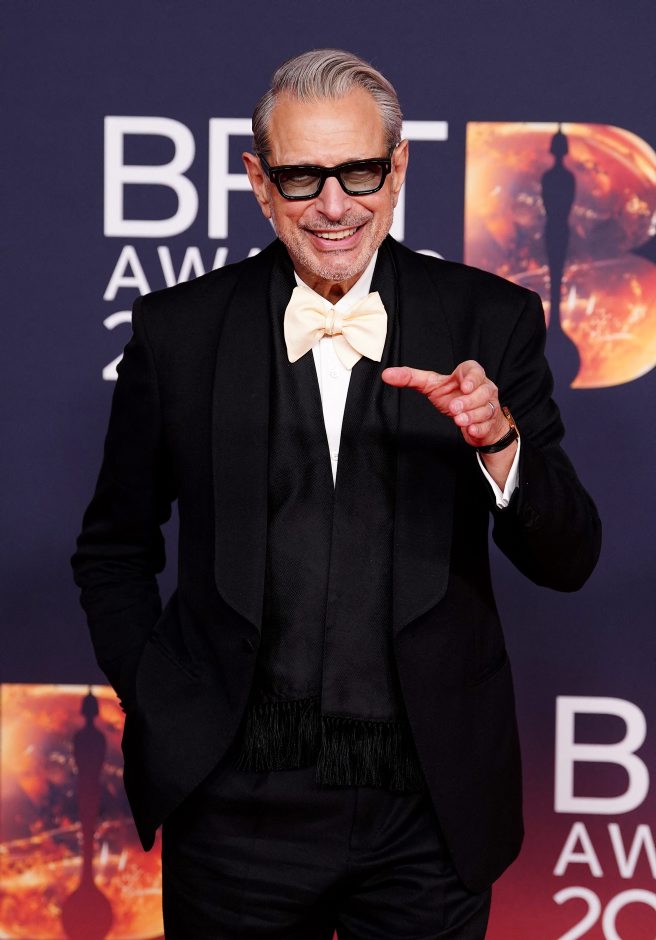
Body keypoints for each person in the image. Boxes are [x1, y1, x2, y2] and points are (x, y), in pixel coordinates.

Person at [72, 49, 601, 939]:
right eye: (301, 176)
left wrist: (498, 441)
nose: (333, 205)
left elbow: (569, 556)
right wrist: (163, 695)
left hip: (429, 813)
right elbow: (114, 550)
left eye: (359, 171)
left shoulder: (490, 319)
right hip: (233, 812)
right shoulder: (179, 333)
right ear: (258, 182)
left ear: (398, 170)